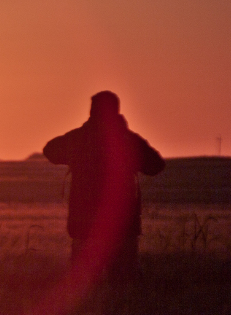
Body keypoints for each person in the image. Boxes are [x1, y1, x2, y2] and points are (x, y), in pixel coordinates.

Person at [42, 91, 164, 281]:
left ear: (92, 110)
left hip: (84, 223)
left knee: (82, 284)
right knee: (124, 283)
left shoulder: (80, 138)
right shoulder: (127, 140)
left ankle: (90, 310)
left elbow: (50, 150)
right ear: (116, 111)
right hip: (122, 224)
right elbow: (156, 165)